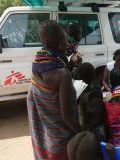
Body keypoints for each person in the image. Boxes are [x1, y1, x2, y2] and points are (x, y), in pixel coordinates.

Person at [27, 20, 81, 160]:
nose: (68, 43)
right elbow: (66, 117)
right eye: (65, 39)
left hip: (44, 135)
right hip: (60, 140)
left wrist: (68, 64)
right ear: (60, 41)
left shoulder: (39, 59)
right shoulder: (63, 75)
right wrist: (85, 133)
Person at [75, 62, 106, 141]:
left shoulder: (74, 90)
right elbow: (98, 119)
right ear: (93, 75)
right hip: (92, 132)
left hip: (78, 130)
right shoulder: (95, 95)